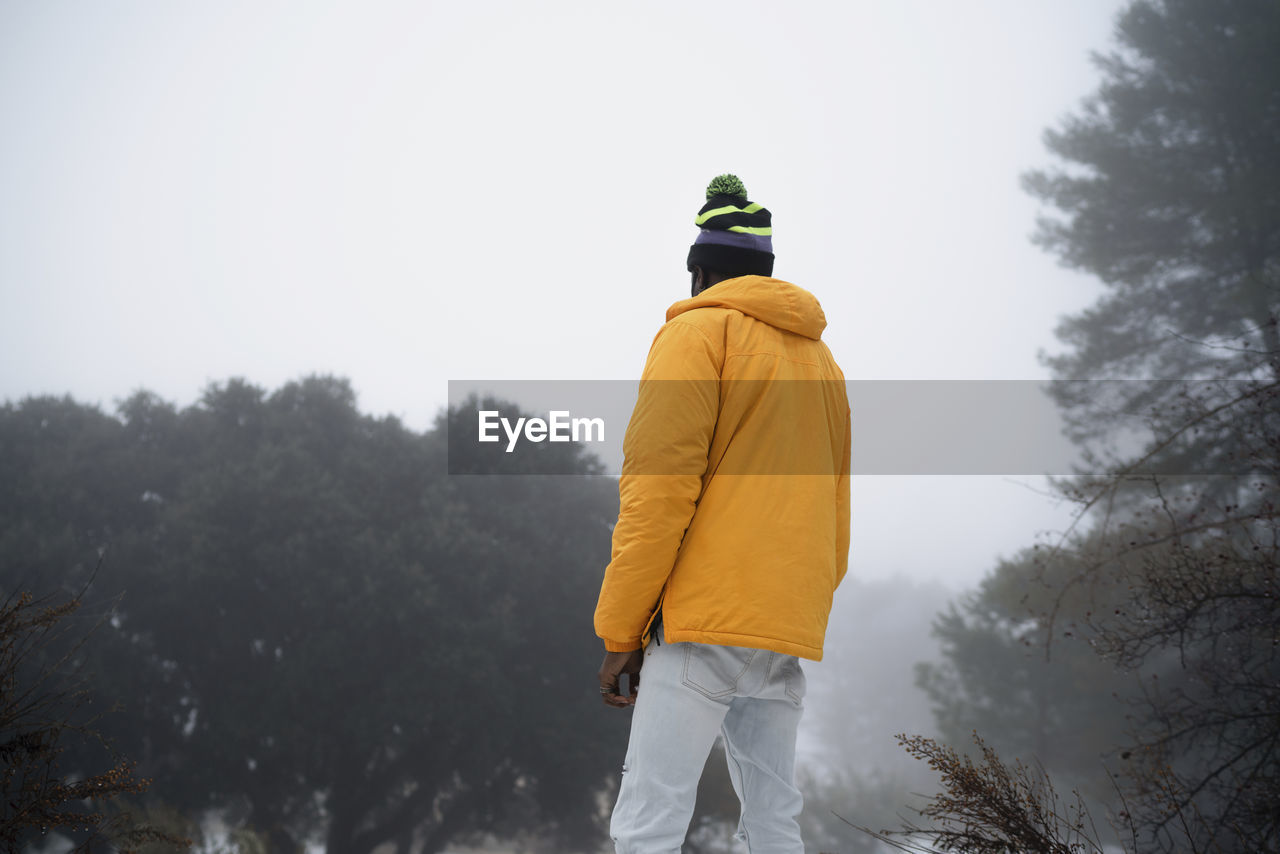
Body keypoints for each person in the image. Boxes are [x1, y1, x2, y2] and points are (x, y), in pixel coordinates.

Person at [594, 174, 851, 853]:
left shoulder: (696, 335)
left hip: (702, 626)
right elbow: (836, 504)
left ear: (700, 272)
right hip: (784, 624)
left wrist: (622, 630)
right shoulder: (821, 360)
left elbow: (657, 494)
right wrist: (801, 606)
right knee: (773, 824)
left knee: (649, 820)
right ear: (764, 272)